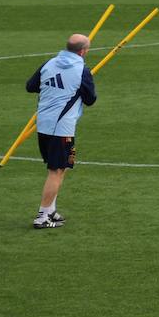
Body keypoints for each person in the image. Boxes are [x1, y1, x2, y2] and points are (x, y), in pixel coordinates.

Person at [25, 33, 95, 229]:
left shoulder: (49, 63)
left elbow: (31, 86)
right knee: (56, 171)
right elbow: (90, 99)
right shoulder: (82, 70)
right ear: (83, 51)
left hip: (43, 124)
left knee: (59, 168)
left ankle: (50, 211)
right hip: (61, 127)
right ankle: (42, 216)